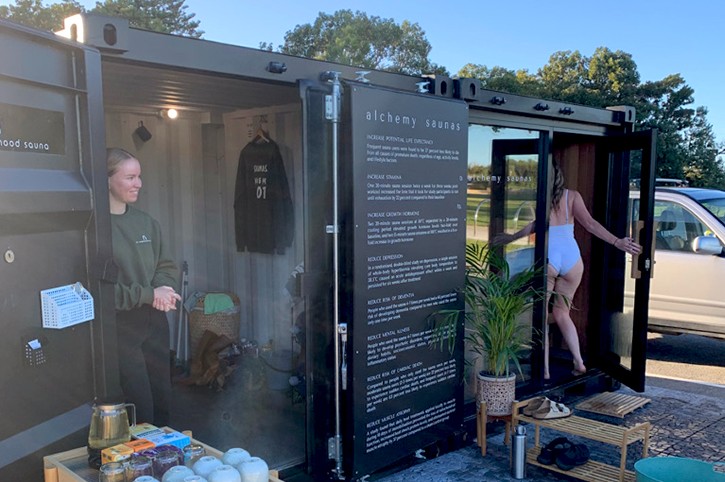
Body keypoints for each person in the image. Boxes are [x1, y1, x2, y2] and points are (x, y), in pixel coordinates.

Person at [494, 162, 641, 379]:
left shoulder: (541, 197)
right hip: (572, 260)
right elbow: (590, 224)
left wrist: (511, 238)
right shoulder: (572, 196)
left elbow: (536, 225)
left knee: (543, 317)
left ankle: (543, 371)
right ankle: (579, 362)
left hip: (550, 259)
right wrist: (617, 242)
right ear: (560, 176)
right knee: (563, 314)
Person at [107, 147, 181, 425]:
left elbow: (165, 266)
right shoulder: (96, 228)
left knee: (162, 394)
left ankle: (164, 459)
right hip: (120, 325)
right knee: (138, 401)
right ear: (107, 179)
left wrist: (163, 292)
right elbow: (100, 292)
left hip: (154, 318)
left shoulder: (146, 222)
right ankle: (139, 461)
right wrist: (150, 294)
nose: (138, 183)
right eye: (130, 177)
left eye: (139, 176)